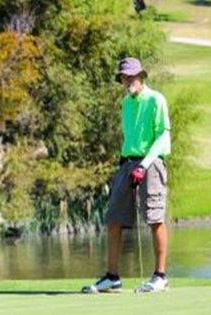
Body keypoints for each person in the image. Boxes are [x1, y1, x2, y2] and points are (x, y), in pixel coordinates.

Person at [82, 57, 171, 294]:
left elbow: (163, 137)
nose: (127, 80)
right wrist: (130, 166)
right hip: (127, 163)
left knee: (154, 218)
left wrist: (144, 164)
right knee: (114, 220)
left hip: (151, 163)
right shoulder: (125, 103)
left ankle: (160, 276)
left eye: (131, 75)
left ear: (141, 75)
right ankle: (112, 277)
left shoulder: (156, 99)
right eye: (124, 76)